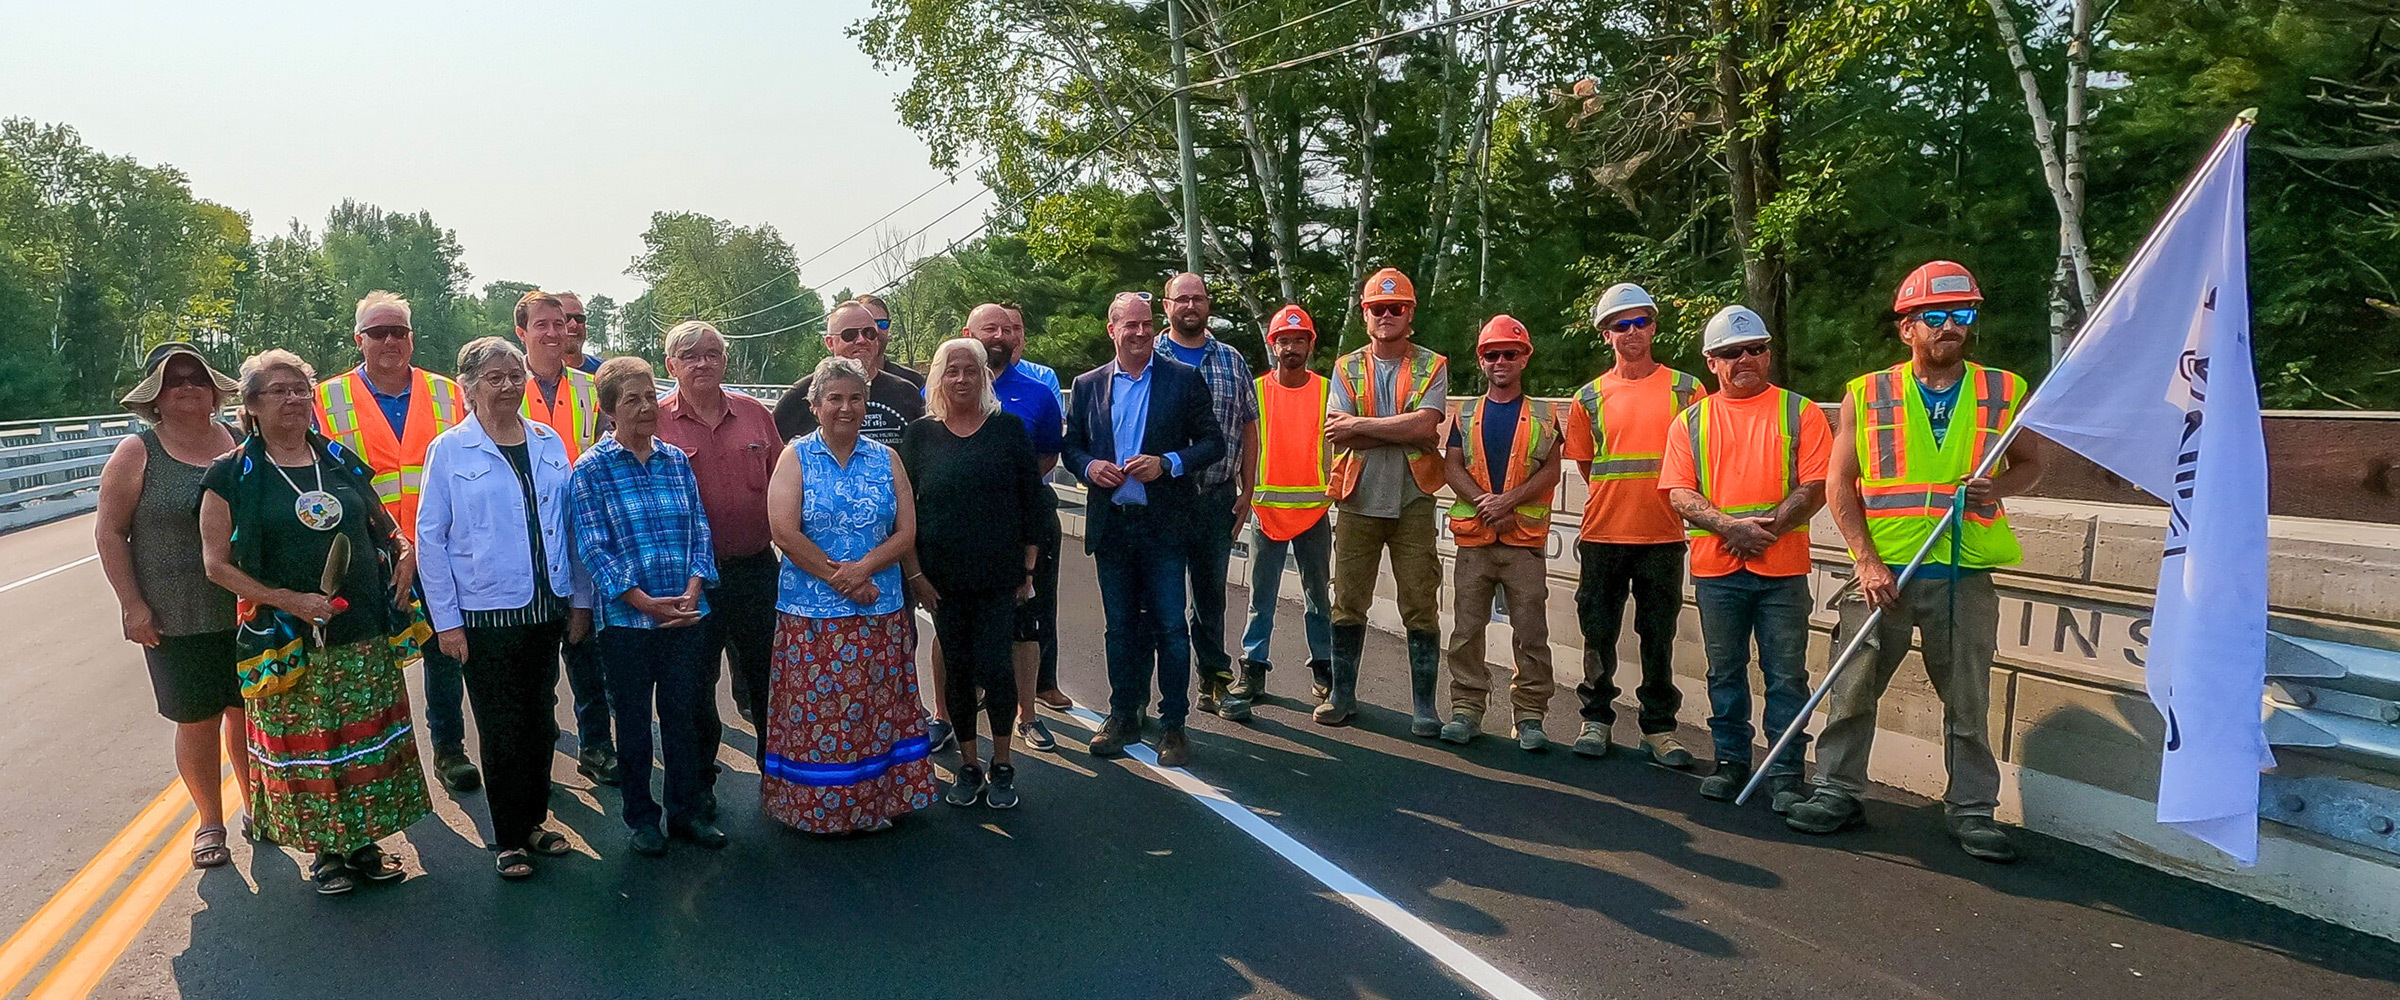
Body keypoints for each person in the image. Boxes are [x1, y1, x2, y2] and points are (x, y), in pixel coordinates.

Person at [1784, 261, 2045, 864]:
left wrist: (2000, 489)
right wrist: (1866, 562)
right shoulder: (1867, 392)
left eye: (1962, 314)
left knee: (1969, 699)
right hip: (1885, 573)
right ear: (1907, 327)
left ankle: (1974, 812)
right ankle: (1837, 793)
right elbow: (1840, 485)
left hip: (1963, 568)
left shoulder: (2004, 389)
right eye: (1935, 315)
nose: (1950, 326)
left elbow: (2033, 464)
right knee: (1851, 689)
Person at [199, 350, 431, 896]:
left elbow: (384, 524)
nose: (294, 399)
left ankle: (365, 842)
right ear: (251, 405)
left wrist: (403, 550)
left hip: (361, 628)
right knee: (313, 747)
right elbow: (216, 566)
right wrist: (289, 600)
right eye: (278, 390)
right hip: (288, 638)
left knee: (363, 742)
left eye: (301, 389)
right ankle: (328, 852)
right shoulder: (231, 474)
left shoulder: (338, 460)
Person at [417, 338, 587, 879]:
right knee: (501, 725)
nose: (510, 384)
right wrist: (445, 622)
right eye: (496, 377)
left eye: (516, 374)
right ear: (469, 387)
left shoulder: (548, 440)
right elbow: (430, 540)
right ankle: (509, 837)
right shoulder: (449, 450)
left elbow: (570, 525)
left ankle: (535, 819)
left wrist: (579, 600)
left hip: (546, 607)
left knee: (541, 721)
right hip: (484, 615)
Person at [1659, 307, 1831, 807]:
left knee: (1786, 675)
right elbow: (1678, 492)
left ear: (1769, 354)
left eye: (1755, 349)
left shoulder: (1801, 412)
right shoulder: (1691, 421)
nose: (1745, 359)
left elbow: (1816, 484)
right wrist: (1730, 528)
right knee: (1725, 671)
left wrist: (1766, 530)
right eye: (1732, 352)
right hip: (1719, 571)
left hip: (1782, 570)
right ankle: (1731, 761)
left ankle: (1785, 774)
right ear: (1712, 362)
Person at [313, 291, 478, 793]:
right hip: (365, 554)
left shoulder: (450, 393)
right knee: (370, 665)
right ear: (358, 340)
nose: (390, 341)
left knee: (444, 653)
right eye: (378, 332)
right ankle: (379, 761)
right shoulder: (325, 398)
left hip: (442, 549)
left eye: (398, 331)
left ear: (412, 338)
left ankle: (449, 750)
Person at [763, 356, 936, 834]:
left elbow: (906, 532)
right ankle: (817, 810)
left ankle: (874, 804)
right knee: (820, 716)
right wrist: (843, 579)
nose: (846, 407)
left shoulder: (887, 457)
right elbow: (783, 530)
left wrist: (864, 570)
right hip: (812, 617)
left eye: (855, 398)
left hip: (878, 610)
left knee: (873, 713)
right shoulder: (795, 456)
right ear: (815, 405)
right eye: (834, 399)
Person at [97, 342, 248, 869]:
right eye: (174, 380)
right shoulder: (138, 453)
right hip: (175, 614)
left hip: (246, 609)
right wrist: (131, 604)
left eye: (197, 378)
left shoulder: (241, 441)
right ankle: (210, 820)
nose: (187, 386)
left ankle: (258, 805)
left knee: (246, 712)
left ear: (214, 391)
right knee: (197, 718)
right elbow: (111, 532)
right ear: (155, 399)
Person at [1064, 292, 1225, 766]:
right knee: (1119, 630)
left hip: (1165, 529)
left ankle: (1173, 724)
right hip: (1113, 527)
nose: (1138, 332)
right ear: (1111, 330)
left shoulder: (1182, 379)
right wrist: (1090, 467)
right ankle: (1122, 714)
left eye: (1145, 324)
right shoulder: (1090, 384)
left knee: (1172, 629)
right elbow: (1071, 446)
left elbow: (1213, 443)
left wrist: (1169, 462)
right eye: (1128, 325)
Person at [572, 357, 724, 856]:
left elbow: (700, 527)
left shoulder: (676, 461)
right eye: (630, 399)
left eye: (648, 396)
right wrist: (640, 600)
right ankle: (642, 819)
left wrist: (695, 588)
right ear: (609, 410)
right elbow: (593, 546)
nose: (643, 407)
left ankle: (686, 813)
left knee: (684, 718)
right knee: (634, 725)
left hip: (684, 615)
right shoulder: (590, 469)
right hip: (626, 623)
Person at [1562, 283, 1706, 764]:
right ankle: (1596, 719)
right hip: (1603, 533)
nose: (1632, 332)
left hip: (1663, 535)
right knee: (1597, 633)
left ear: (1654, 327)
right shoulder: (1588, 398)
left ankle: (1659, 728)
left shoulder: (1688, 390)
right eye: (1620, 325)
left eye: (1641, 321)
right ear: (1606, 335)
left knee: (1658, 635)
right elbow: (1587, 465)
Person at [902, 338, 1049, 806]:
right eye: (952, 370)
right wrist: (917, 576)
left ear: (984, 376)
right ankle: (968, 765)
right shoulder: (921, 436)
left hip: (998, 577)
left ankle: (1002, 762)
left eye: (971, 370)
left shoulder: (1006, 430)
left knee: (997, 667)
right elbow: (905, 514)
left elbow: (1032, 502)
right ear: (939, 378)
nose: (961, 379)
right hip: (942, 581)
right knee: (959, 673)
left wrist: (1028, 568)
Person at [657, 321, 784, 790]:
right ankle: (699, 786)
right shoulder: (655, 421)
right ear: (671, 366)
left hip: (756, 570)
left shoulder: (756, 416)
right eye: (689, 356)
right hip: (690, 579)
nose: (702, 363)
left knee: (768, 679)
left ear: (725, 361)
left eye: (711, 353)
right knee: (694, 685)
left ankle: (778, 778)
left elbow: (785, 489)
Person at [1322, 267, 1448, 730]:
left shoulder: (1433, 364)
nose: (1387, 315)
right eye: (1378, 308)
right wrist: (1401, 430)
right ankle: (1341, 695)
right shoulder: (1346, 366)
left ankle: (1424, 706)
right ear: (1365, 315)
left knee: (1420, 600)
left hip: (1412, 500)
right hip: (1357, 500)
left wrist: (1362, 426)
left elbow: (1424, 425)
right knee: (1348, 600)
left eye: (1396, 308)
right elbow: (1339, 434)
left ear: (1410, 313)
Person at [1437, 316, 1564, 751]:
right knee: (1466, 631)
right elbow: (1451, 466)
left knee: (1530, 632)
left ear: (1525, 357)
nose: (1501, 361)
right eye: (1492, 354)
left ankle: (1529, 715)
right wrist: (1484, 504)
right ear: (1481, 361)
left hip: (1523, 543)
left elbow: (1551, 471)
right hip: (1476, 541)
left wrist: (1507, 502)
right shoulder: (1466, 412)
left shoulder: (1544, 415)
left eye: (1511, 353)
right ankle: (1466, 709)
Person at [514, 289, 614, 787]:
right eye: (544, 325)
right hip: (529, 543)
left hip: (582, 537)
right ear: (522, 332)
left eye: (564, 323)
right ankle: (540, 754)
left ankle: (596, 746)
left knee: (587, 652)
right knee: (535, 668)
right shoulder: (507, 385)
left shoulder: (591, 388)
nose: (557, 332)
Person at [965, 303, 1070, 748]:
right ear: (968, 333)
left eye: (1009, 330)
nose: (1001, 336)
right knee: (960, 618)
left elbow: (1048, 454)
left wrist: (1015, 492)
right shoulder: (949, 387)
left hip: (1025, 521)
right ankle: (953, 711)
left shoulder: (1036, 392)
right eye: (991, 328)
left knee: (1027, 615)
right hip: (963, 525)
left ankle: (1028, 715)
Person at [1156, 273, 1258, 717]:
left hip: (1216, 495)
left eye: (1198, 298)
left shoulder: (1231, 360)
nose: (1190, 306)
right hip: (1160, 498)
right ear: (1167, 306)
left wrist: (1249, 488)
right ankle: (1153, 694)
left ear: (1208, 305)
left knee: (1210, 596)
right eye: (1182, 299)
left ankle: (1214, 683)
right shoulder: (1148, 355)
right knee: (1158, 599)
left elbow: (1249, 426)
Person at [1226, 305, 1334, 721]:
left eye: (1298, 339)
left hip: (1314, 511)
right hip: (1266, 510)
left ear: (1310, 344)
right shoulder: (1255, 391)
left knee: (1318, 595)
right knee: (1260, 597)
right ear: (1273, 345)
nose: (1291, 347)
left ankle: (1323, 668)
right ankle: (1253, 670)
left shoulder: (1328, 391)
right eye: (1283, 340)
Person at [774, 300, 927, 447]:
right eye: (849, 335)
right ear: (830, 343)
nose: (861, 340)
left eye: (869, 333)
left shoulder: (906, 392)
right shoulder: (803, 394)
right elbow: (771, 448)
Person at [852, 293, 926, 387]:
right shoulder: (832, 382)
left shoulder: (913, 382)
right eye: (868, 323)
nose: (875, 330)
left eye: (881, 323)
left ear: (889, 329)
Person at [557, 291, 604, 375]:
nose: (574, 324)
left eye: (579, 318)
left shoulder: (603, 371)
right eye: (566, 318)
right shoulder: (529, 373)